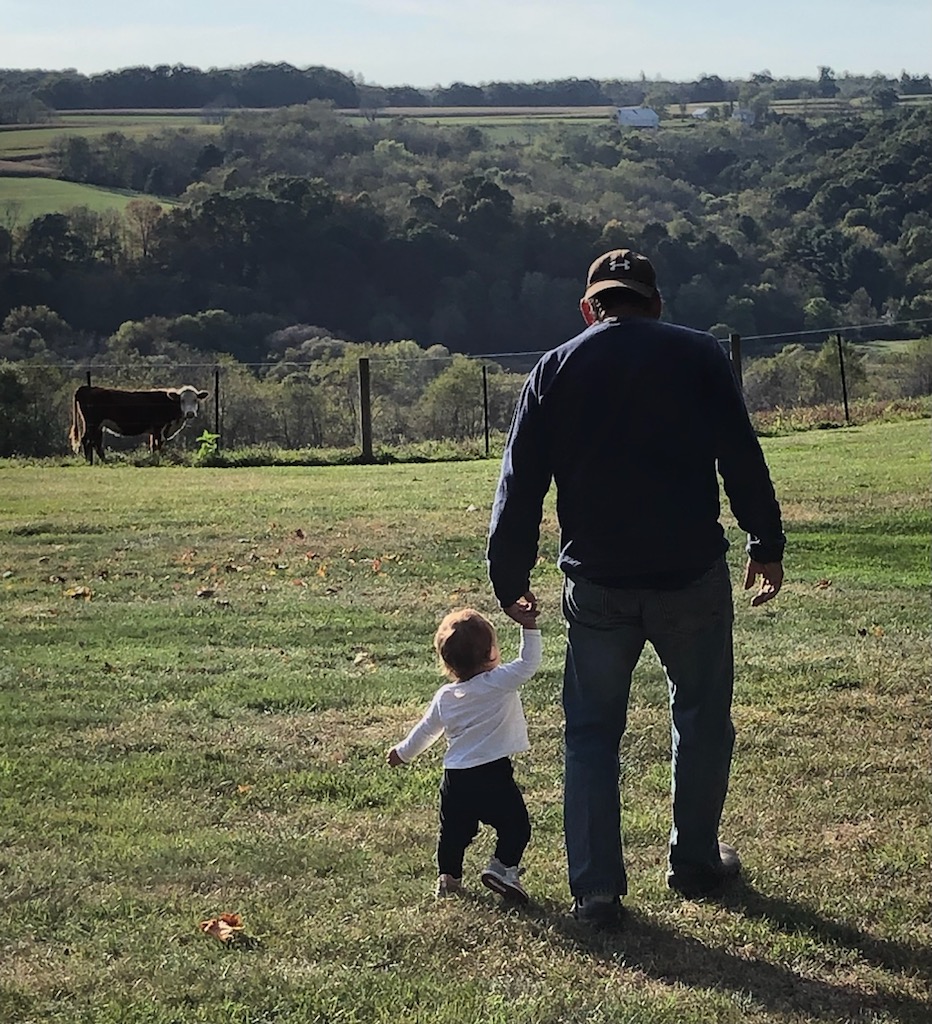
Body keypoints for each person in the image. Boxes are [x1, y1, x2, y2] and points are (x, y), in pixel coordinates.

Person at [487, 248, 785, 929]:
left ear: (591, 307)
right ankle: (696, 864)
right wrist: (764, 543)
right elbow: (741, 454)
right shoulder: (699, 356)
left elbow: (520, 484)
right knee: (703, 718)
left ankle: (595, 891)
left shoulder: (554, 368)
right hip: (691, 575)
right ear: (654, 302)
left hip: (596, 584)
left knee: (591, 733)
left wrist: (508, 577)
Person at [387, 607, 542, 901]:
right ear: (491, 654)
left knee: (453, 833)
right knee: (516, 825)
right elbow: (528, 663)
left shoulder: (445, 696)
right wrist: (529, 626)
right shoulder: (499, 681)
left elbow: (426, 731)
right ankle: (502, 867)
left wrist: (402, 753)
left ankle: (448, 878)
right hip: (493, 774)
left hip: (456, 778)